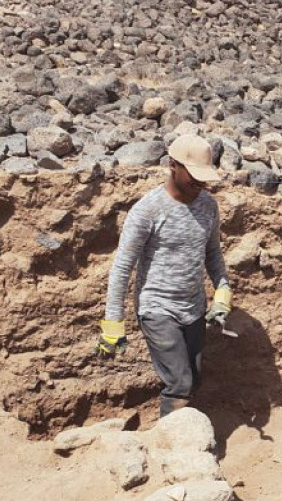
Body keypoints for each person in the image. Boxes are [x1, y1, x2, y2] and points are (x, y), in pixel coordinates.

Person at [96, 133, 233, 416]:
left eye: (204, 177)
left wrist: (222, 291)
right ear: (173, 165)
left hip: (193, 307)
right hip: (157, 307)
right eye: (193, 175)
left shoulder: (208, 205)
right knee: (180, 384)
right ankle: (170, 441)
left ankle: (179, 431)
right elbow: (122, 266)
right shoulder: (148, 210)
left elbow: (212, 253)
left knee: (194, 380)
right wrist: (113, 322)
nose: (200, 184)